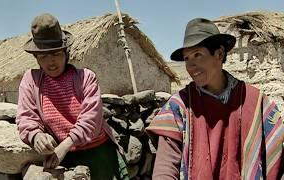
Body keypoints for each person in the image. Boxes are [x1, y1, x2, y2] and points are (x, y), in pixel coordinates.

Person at [146, 18, 283, 179]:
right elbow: (165, 166)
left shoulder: (256, 103)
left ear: (219, 54)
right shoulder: (179, 106)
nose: (191, 66)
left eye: (198, 55)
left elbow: (278, 160)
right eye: (187, 59)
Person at [16, 13, 129, 180]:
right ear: (37, 59)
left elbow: (91, 120)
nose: (51, 62)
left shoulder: (85, 78)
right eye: (43, 56)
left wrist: (65, 146)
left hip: (99, 154)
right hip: (64, 158)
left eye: (56, 54)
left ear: (65, 52)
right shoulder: (31, 80)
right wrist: (36, 136)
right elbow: (26, 116)